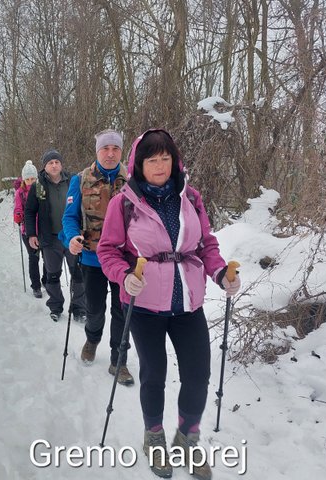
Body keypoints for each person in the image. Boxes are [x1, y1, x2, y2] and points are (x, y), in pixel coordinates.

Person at [96, 129, 241, 479]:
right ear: (139, 165)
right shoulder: (124, 203)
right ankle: (154, 437)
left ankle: (187, 438)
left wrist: (220, 273)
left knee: (198, 375)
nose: (160, 166)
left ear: (175, 161)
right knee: (154, 374)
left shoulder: (190, 197)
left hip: (187, 304)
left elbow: (205, 244)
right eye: (152, 160)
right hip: (144, 304)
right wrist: (123, 275)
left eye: (166, 158)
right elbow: (108, 250)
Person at [60, 129, 134, 386]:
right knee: (95, 310)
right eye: (105, 148)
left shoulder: (133, 180)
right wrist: (72, 237)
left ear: (121, 151)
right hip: (93, 259)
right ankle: (92, 339)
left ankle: (119, 360)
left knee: (122, 311)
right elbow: (69, 217)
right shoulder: (80, 180)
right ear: (97, 151)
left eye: (116, 148)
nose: (110, 153)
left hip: (124, 261)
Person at [24, 149, 86, 322]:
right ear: (44, 166)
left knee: (79, 274)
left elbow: (84, 205)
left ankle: (79, 308)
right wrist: (32, 234)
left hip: (72, 237)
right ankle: (56, 307)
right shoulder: (38, 185)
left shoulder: (73, 181)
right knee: (52, 275)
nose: (54, 165)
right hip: (50, 238)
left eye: (57, 162)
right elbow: (30, 211)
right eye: (50, 163)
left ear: (61, 164)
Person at [13, 160, 46, 298]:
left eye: (33, 179)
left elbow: (45, 205)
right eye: (27, 179)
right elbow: (17, 208)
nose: (30, 182)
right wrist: (18, 215)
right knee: (34, 257)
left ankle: (46, 280)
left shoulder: (40, 189)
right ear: (23, 180)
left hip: (43, 229)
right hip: (28, 231)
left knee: (47, 257)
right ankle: (36, 286)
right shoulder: (20, 193)